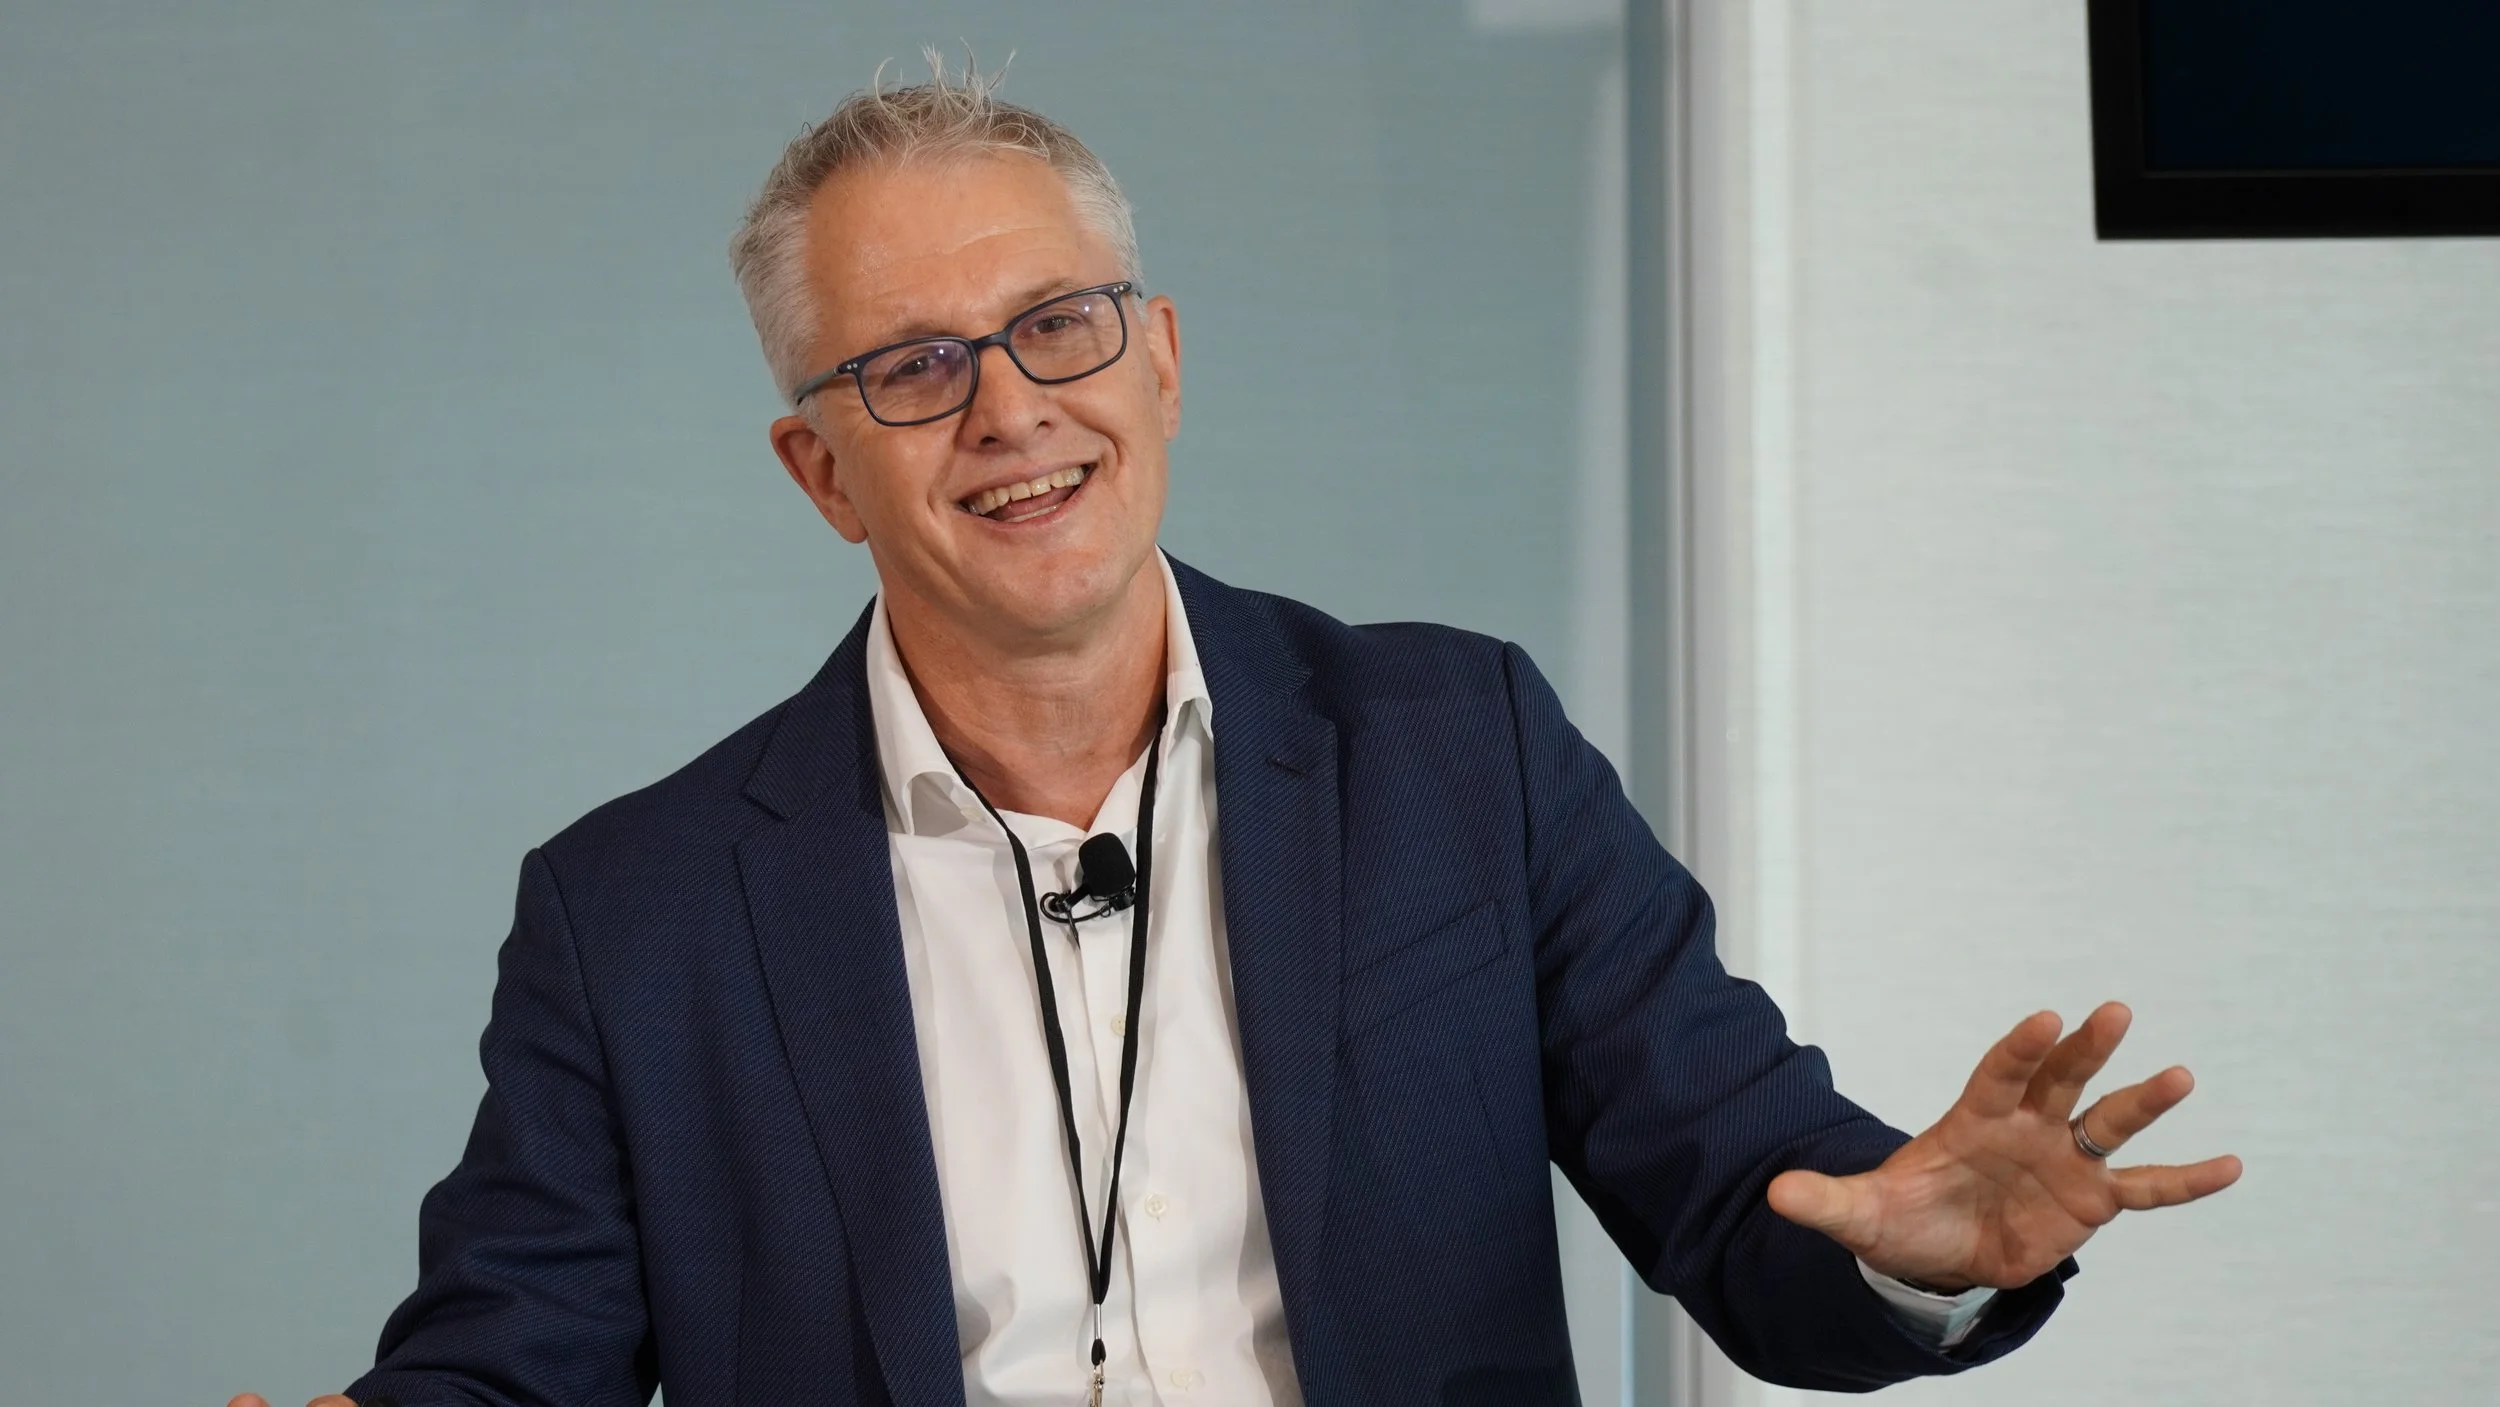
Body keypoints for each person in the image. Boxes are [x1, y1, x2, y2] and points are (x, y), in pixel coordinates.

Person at [231, 62, 2238, 1407]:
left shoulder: (1460, 754)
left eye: (1058, 326)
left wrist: (1926, 1254)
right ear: (817, 468)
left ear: (1159, 357)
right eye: (914, 367)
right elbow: (516, 1365)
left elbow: (1750, 1198)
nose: (1009, 409)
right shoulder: (632, 914)